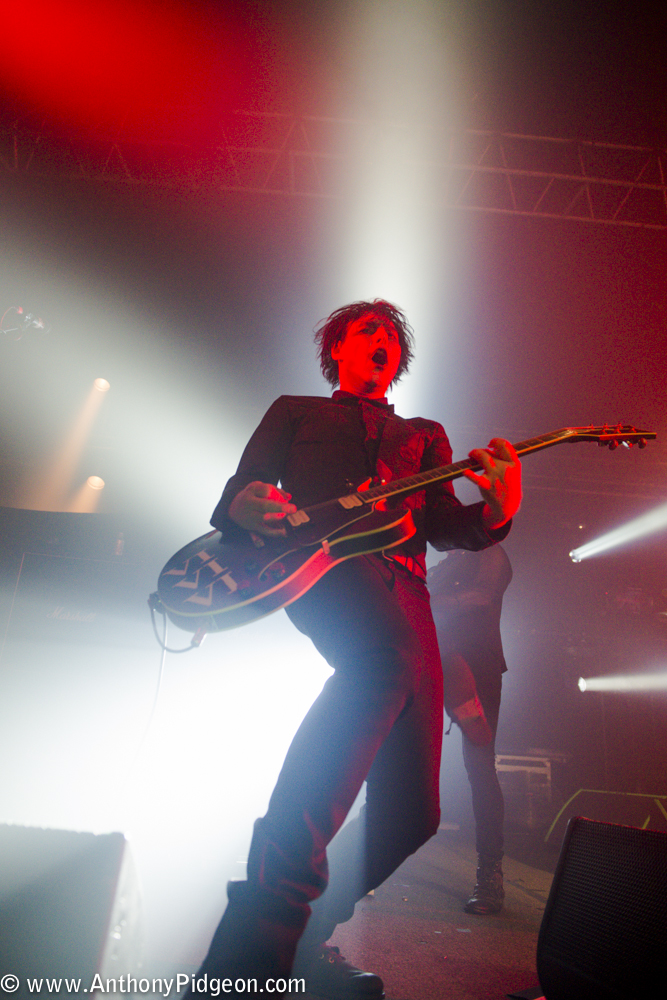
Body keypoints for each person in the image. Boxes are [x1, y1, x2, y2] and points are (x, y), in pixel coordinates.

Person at [190, 300, 521, 998]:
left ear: (397, 363)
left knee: (415, 814)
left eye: (391, 338)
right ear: (335, 349)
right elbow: (238, 493)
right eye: (366, 331)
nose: (380, 342)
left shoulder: (424, 434)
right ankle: (244, 964)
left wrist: (498, 508)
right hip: (323, 567)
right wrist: (246, 505)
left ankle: (304, 939)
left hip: (407, 592)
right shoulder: (295, 411)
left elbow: (446, 526)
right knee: (383, 664)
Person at [428, 545, 513, 915]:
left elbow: (480, 597)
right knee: (390, 752)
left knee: (479, 766)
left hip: (476, 663)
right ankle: (362, 860)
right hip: (434, 657)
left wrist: (430, 600)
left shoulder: (489, 551)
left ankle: (490, 874)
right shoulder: (442, 565)